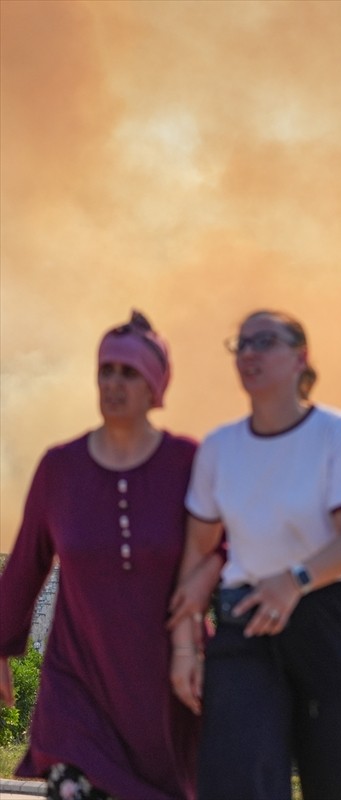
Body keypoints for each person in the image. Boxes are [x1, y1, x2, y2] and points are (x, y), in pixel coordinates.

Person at [167, 309, 341, 800]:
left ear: (299, 357)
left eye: (264, 341)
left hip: (330, 617)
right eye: (240, 345)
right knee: (235, 778)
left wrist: (295, 580)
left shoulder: (336, 433)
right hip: (246, 621)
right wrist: (184, 646)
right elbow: (196, 555)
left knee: (340, 783)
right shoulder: (220, 448)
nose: (248, 354)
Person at [0, 311, 204, 800]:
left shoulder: (187, 462)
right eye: (105, 371)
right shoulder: (60, 468)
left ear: (156, 386)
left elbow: (220, 550)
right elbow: (27, 563)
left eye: (128, 372)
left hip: (165, 688)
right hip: (77, 690)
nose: (114, 383)